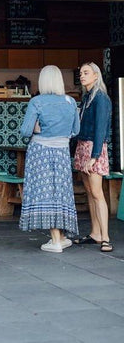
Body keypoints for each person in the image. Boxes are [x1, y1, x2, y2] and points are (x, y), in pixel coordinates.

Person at [19, 65, 80, 253]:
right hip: (61, 151)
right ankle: (61, 237)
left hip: (41, 152)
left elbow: (25, 131)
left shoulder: (37, 101)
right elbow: (76, 130)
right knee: (60, 192)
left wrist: (37, 128)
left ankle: (54, 241)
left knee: (46, 192)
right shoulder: (70, 102)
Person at [73, 62, 113, 252]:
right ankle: (95, 232)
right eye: (81, 73)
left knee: (97, 194)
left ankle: (105, 237)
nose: (82, 76)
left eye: (86, 73)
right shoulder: (87, 97)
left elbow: (100, 129)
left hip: (93, 148)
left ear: (96, 75)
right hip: (83, 146)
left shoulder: (101, 99)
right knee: (89, 192)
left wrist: (94, 156)